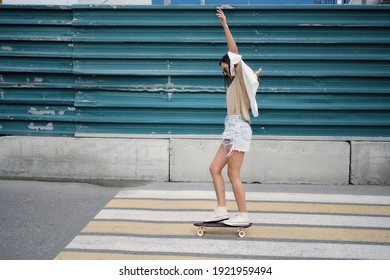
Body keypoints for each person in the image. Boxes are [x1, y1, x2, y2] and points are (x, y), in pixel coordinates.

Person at [204, 9, 262, 226]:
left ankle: (243, 214)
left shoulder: (237, 76)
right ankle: (221, 210)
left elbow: (233, 51)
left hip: (238, 127)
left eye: (225, 67)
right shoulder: (236, 83)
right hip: (231, 127)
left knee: (233, 173)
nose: (225, 72)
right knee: (214, 168)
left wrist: (225, 25)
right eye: (223, 70)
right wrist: (253, 77)